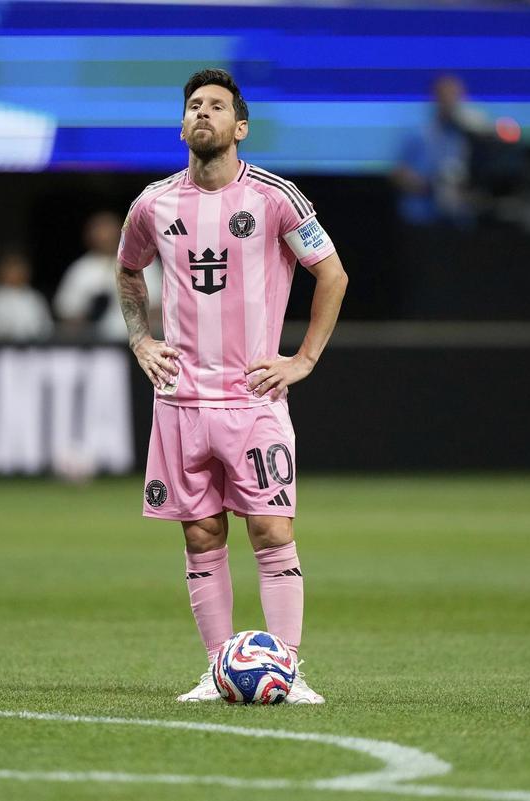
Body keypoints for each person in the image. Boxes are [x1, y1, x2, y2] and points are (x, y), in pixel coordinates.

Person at [116, 68, 348, 704]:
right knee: (201, 536)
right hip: (181, 401)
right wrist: (140, 340)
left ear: (240, 127)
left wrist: (303, 359)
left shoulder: (275, 198)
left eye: (217, 106)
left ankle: (288, 670)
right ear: (181, 126)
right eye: (194, 105)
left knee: (271, 531)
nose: (203, 113)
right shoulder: (153, 204)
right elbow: (128, 270)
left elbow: (332, 274)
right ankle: (218, 668)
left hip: (253, 400)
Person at [390, 74, 487, 228]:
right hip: (421, 220)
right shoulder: (417, 135)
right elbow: (398, 175)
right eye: (445, 95)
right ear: (436, 98)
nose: (450, 101)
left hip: (458, 221)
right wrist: (432, 186)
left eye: (455, 95)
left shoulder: (469, 138)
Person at [53, 211, 161, 341]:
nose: (106, 236)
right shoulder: (80, 269)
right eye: (100, 230)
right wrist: (89, 316)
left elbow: (159, 308)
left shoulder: (144, 261)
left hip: (140, 342)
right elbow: (67, 314)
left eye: (110, 229)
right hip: (97, 345)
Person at [0, 246, 53, 341]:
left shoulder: (35, 297)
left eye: (19, 267)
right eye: (10, 267)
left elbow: (46, 328)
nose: (15, 272)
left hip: (33, 346)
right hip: (2, 347)